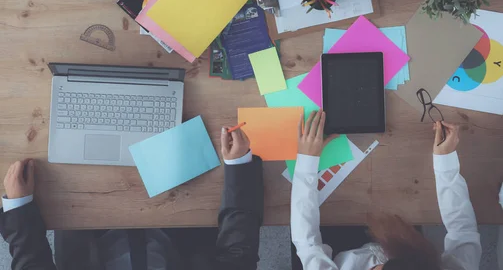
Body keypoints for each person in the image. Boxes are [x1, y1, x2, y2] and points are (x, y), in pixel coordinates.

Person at [0, 126, 263, 270]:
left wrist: (18, 205)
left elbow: (31, 263)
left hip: (89, 225)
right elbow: (238, 254)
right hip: (180, 222)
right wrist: (238, 165)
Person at [291, 110, 481, 270]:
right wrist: (445, 160)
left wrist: (307, 160)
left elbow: (307, 244)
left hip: (343, 246)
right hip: (406, 243)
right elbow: (463, 231)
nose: (377, 265)